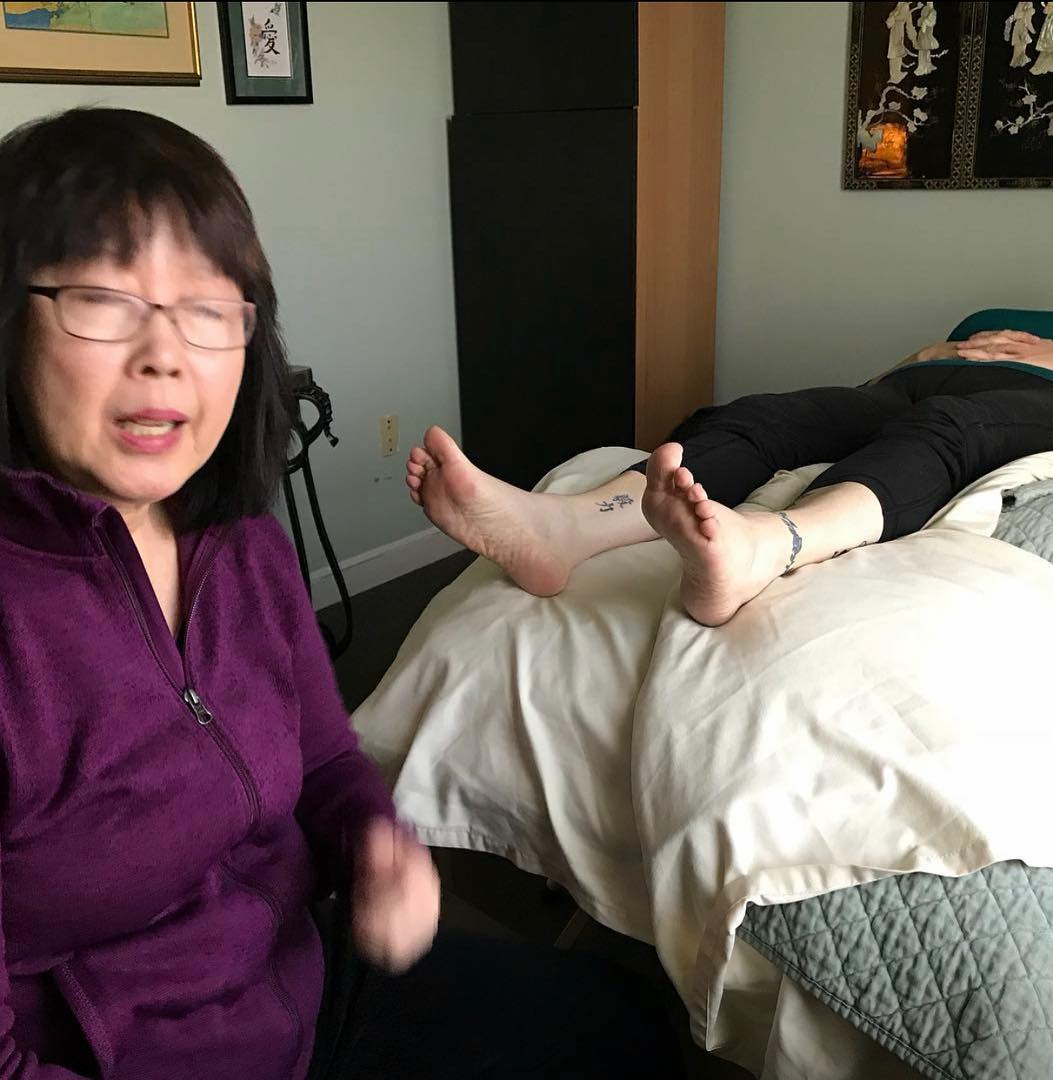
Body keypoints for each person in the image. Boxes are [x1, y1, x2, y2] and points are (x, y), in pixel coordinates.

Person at [0, 107, 682, 1079]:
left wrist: (375, 842)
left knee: (626, 1024)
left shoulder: (241, 546)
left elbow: (323, 758)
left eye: (208, 309)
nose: (166, 353)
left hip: (297, 978)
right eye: (105, 300)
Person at [407, 330, 1053, 627]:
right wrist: (925, 354)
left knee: (949, 428)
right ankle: (562, 528)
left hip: (1048, 399)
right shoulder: (970, 326)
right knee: (766, 417)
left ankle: (766, 545)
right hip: (910, 380)